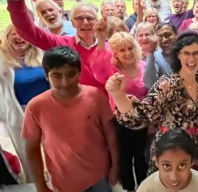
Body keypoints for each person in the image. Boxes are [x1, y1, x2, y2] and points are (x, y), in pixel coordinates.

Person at [106, 31, 198, 174]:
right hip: (169, 156)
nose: (191, 59)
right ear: (178, 55)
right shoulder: (166, 84)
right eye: (186, 53)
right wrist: (118, 95)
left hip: (197, 156)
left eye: (196, 53)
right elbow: (140, 117)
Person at [1, 0, 108, 92]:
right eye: (79, 18)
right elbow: (26, 30)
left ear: (97, 21)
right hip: (77, 107)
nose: (85, 22)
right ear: (72, 22)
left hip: (110, 107)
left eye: (90, 18)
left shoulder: (108, 46)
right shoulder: (61, 44)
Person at [21, 46, 118, 192]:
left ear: (80, 73)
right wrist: (40, 185)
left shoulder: (95, 96)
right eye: (57, 76)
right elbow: (32, 149)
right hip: (63, 182)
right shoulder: (36, 106)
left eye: (71, 74)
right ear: (47, 76)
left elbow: (111, 135)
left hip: (99, 176)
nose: (65, 82)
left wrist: (116, 166)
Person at [91, 30, 149, 192]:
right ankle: (129, 188)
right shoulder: (110, 70)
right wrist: (101, 41)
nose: (127, 53)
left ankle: (143, 186)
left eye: (130, 48)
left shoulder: (144, 66)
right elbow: (96, 68)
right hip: (119, 121)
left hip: (142, 121)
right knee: (124, 156)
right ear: (115, 53)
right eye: (122, 50)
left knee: (141, 156)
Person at [0, 24, 50, 182]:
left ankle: (58, 176)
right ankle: (35, 181)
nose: (19, 37)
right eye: (14, 34)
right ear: (7, 38)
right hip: (19, 112)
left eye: (22, 33)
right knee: (27, 152)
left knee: (54, 147)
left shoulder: (41, 54)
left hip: (47, 111)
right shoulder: (2, 60)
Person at [137, 128, 198, 192]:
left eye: (182, 165)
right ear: (156, 161)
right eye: (166, 166)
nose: (174, 177)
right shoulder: (147, 188)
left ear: (192, 161)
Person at [143, 22, 177, 89]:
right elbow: (149, 84)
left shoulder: (185, 53)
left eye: (167, 35)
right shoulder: (155, 57)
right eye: (160, 37)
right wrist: (151, 53)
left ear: (176, 35)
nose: (164, 40)